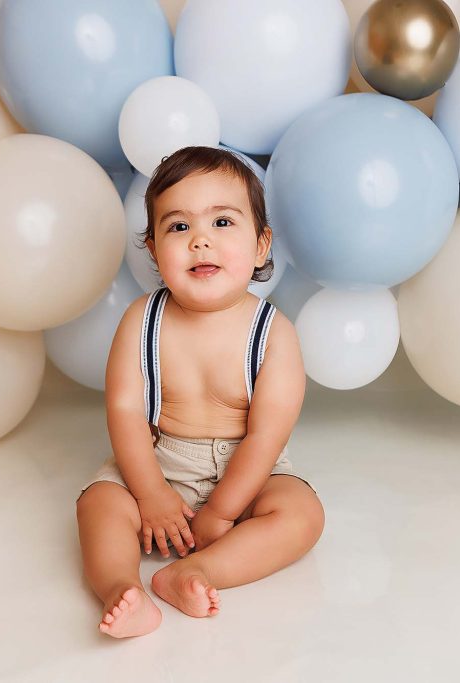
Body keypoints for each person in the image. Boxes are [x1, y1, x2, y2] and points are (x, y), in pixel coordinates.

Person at [75, 146, 324, 638]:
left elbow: (266, 437)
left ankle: (197, 572)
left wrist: (223, 511)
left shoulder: (273, 333)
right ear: (153, 249)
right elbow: (124, 411)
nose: (201, 242)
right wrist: (148, 493)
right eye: (179, 227)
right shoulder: (142, 321)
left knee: (302, 515)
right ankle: (123, 590)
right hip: (157, 457)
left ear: (261, 244)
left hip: (250, 471)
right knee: (98, 504)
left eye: (223, 223)